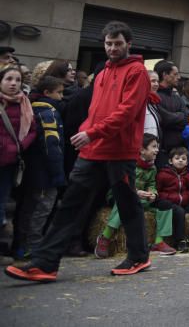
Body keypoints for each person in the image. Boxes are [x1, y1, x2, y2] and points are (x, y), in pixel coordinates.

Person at [5, 21, 152, 282]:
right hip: (94, 149)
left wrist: (91, 132)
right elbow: (95, 109)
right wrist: (88, 130)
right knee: (70, 205)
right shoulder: (104, 72)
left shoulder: (137, 71)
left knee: (128, 204)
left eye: (118, 44)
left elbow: (127, 112)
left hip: (119, 151)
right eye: (109, 43)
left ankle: (139, 257)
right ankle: (45, 263)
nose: (113, 48)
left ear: (129, 44)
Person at [96, 134, 176, 257]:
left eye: (157, 147)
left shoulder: (152, 168)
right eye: (153, 147)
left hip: (140, 199)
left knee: (165, 205)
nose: (157, 150)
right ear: (142, 150)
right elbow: (121, 182)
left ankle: (159, 242)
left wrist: (153, 193)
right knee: (125, 199)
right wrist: (136, 192)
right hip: (119, 195)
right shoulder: (129, 163)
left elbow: (151, 184)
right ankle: (105, 237)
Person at [12, 76, 66, 259]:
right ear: (47, 93)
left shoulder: (31, 108)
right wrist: (58, 174)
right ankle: (32, 246)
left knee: (29, 208)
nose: (61, 97)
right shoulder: (48, 112)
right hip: (45, 172)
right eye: (59, 92)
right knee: (40, 210)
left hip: (33, 170)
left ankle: (21, 244)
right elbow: (52, 145)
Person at [0, 66, 38, 243]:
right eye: (9, 79)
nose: (13, 83)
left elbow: (32, 129)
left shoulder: (25, 103)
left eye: (17, 80)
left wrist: (20, 147)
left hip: (9, 162)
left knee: (1, 203)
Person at [153, 147, 189, 252]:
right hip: (170, 202)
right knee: (179, 212)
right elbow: (157, 190)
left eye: (183, 158)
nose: (180, 160)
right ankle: (179, 241)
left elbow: (188, 189)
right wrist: (166, 198)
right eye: (177, 158)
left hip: (183, 202)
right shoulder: (163, 174)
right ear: (170, 161)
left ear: (187, 162)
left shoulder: (187, 175)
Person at [153, 61, 187, 168]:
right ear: (165, 75)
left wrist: (175, 118)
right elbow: (164, 119)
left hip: (178, 151)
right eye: (175, 74)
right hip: (161, 151)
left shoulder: (177, 97)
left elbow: (186, 119)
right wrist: (179, 116)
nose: (179, 77)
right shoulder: (155, 96)